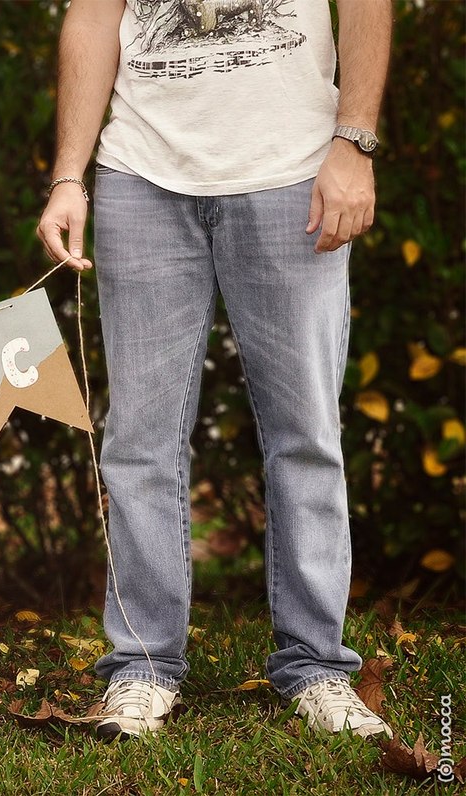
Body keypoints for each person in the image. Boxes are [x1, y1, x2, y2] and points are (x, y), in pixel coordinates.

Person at [37, 0, 392, 740]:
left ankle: (317, 667)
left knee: (306, 435)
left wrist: (354, 143)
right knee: (137, 441)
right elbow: (92, 17)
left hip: (294, 172)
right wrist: (68, 176)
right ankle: (140, 667)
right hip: (139, 174)